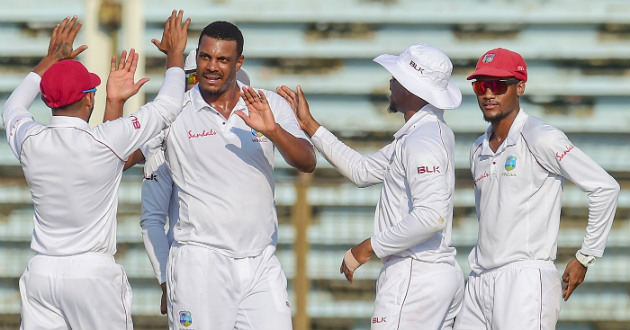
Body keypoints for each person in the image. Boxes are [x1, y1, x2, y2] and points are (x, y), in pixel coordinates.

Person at [2, 11, 190, 330]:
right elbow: (169, 106)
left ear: (49, 102)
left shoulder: (29, 139)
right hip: (92, 275)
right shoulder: (103, 142)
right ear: (89, 100)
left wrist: (49, 61)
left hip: (41, 274)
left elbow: (11, 108)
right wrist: (175, 55)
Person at [277, 43, 465, 330]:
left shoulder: (422, 141)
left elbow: (431, 216)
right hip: (432, 273)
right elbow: (362, 171)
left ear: (413, 89)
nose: (390, 81)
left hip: (415, 274)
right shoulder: (424, 134)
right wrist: (310, 125)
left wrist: (367, 248)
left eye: (397, 77)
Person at [157, 21, 316, 330]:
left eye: (222, 59)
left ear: (239, 62)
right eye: (205, 57)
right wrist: (115, 102)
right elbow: (124, 156)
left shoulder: (269, 104)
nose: (211, 67)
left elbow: (307, 161)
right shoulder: (174, 110)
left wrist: (272, 130)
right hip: (200, 262)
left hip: (260, 261)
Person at [453, 48, 620, 330]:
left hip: (525, 281)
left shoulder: (541, 137)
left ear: (520, 87)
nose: (488, 94)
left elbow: (605, 188)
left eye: (497, 85)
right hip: (479, 280)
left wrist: (585, 257)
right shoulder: (478, 148)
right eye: (481, 85)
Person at [139, 47, 253, 316]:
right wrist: (166, 282)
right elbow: (152, 219)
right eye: (194, 82)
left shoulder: (242, 133)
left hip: (247, 269)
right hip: (195, 270)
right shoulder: (163, 142)